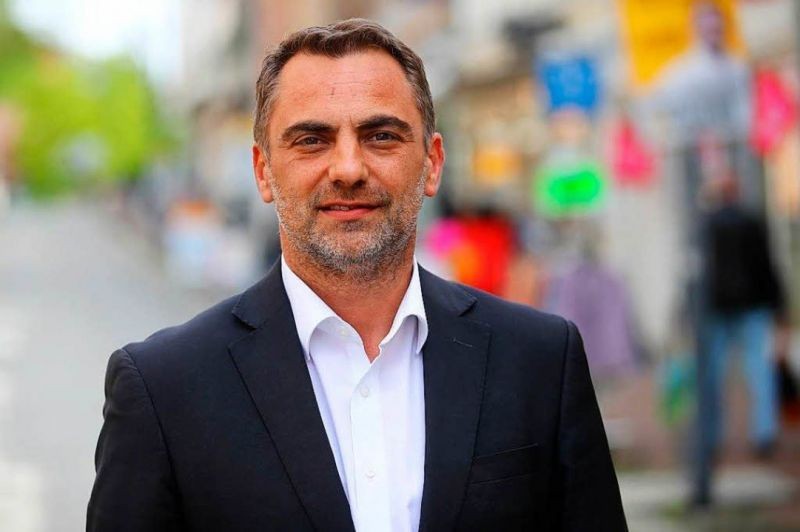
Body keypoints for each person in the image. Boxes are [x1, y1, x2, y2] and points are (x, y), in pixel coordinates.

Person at [87, 19, 626, 531]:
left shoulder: (539, 361)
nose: (348, 168)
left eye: (381, 136)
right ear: (263, 171)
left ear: (432, 163)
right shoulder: (164, 389)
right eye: (311, 140)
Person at [693, 174, 785, 506]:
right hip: (751, 305)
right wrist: (778, 304)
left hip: (718, 308)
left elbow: (701, 271)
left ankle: (714, 437)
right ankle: (764, 432)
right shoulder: (750, 221)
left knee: (714, 378)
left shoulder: (707, 225)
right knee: (758, 371)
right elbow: (767, 264)